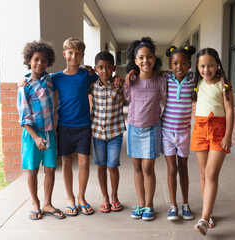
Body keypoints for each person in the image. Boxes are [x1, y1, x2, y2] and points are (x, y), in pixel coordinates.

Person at [17, 40, 66, 220]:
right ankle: (35, 202)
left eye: (44, 60)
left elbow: (65, 74)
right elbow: (24, 117)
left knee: (51, 168)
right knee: (32, 169)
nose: (40, 63)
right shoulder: (24, 87)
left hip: (49, 133)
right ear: (29, 60)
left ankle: (47, 203)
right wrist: (36, 137)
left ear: (48, 63)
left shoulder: (49, 80)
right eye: (36, 59)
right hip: (32, 136)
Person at [52, 38, 99, 216]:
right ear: (65, 54)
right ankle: (70, 197)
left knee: (85, 162)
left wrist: (93, 69)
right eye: (70, 53)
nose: (74, 56)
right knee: (67, 161)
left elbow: (103, 75)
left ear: (82, 55)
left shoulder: (86, 75)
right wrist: (23, 81)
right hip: (64, 126)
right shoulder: (56, 78)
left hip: (83, 126)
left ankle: (81, 197)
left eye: (77, 53)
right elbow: (37, 78)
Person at [191, 48, 234, 236]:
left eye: (210, 65)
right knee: (203, 174)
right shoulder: (198, 83)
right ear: (198, 67)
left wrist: (228, 136)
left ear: (217, 65)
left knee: (211, 173)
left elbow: (230, 111)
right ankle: (207, 214)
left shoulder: (224, 84)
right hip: (200, 129)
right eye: (202, 66)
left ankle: (204, 218)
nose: (206, 69)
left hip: (218, 131)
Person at [124, 37, 166, 221]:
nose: (145, 61)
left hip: (152, 128)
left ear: (154, 59)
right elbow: (126, 98)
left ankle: (150, 204)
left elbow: (166, 100)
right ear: (135, 61)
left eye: (149, 57)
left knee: (148, 168)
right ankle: (140, 204)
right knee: (137, 167)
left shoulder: (160, 82)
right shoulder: (131, 81)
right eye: (141, 57)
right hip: (133, 128)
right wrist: (127, 80)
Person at [161, 45, 196, 221]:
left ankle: (185, 203)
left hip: (184, 132)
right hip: (167, 131)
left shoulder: (194, 79)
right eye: (175, 63)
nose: (179, 67)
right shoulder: (166, 77)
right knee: (172, 169)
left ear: (189, 64)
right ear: (170, 64)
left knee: (183, 169)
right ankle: (173, 205)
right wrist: (133, 72)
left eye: (183, 63)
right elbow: (151, 72)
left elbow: (212, 72)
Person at [90, 52, 126, 213]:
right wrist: (86, 69)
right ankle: (104, 197)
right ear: (95, 69)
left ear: (114, 68)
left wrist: (123, 80)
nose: (104, 71)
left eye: (107, 67)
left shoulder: (120, 84)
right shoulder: (91, 84)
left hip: (115, 133)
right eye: (100, 68)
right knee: (101, 166)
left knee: (112, 166)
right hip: (97, 133)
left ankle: (114, 196)